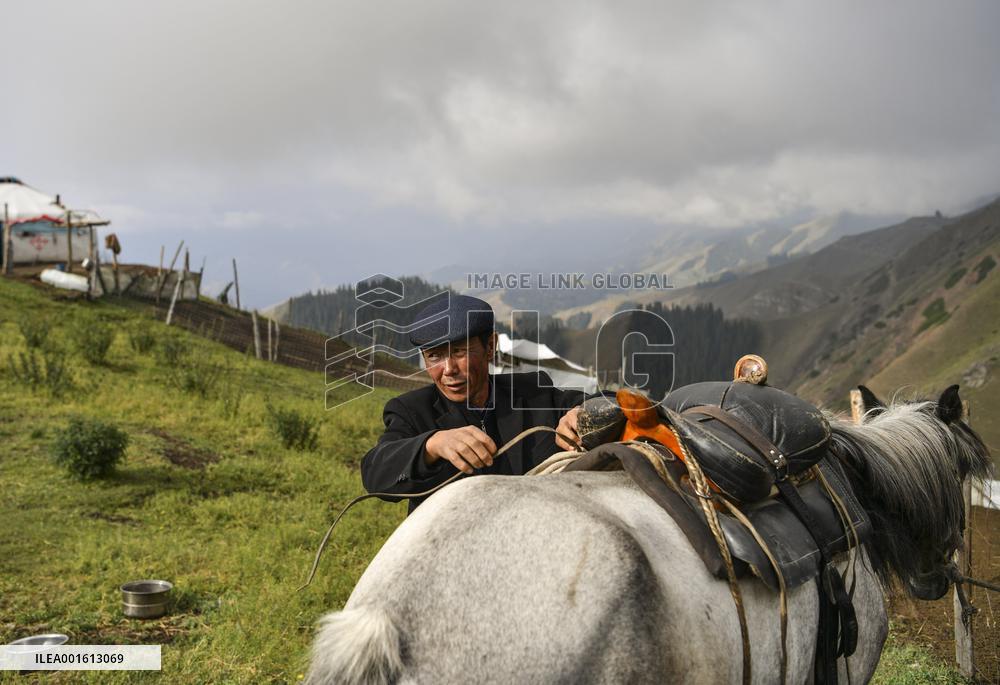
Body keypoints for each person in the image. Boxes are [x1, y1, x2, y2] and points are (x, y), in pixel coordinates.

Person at [360, 294, 587, 513]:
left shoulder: (533, 393)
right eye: (434, 356)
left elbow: (610, 401)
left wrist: (584, 413)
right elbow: (375, 474)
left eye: (458, 352)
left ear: (490, 346)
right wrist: (432, 444)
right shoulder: (412, 411)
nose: (448, 370)